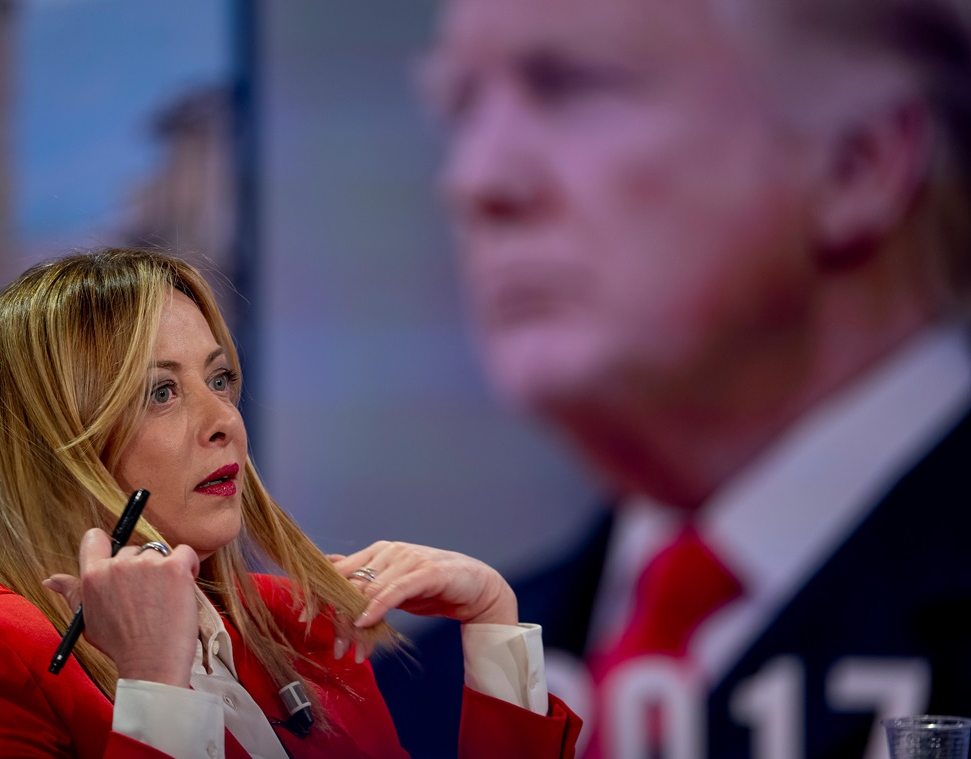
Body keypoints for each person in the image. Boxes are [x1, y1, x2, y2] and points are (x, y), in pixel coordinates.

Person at [377, 0, 971, 757]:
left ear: (859, 163)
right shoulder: (413, 707)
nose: (475, 180)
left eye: (571, 83)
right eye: (460, 107)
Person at [0, 249, 581, 758]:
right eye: (161, 391)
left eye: (219, 379)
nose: (223, 421)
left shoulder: (287, 619)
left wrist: (496, 627)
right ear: (50, 442)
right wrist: (155, 686)